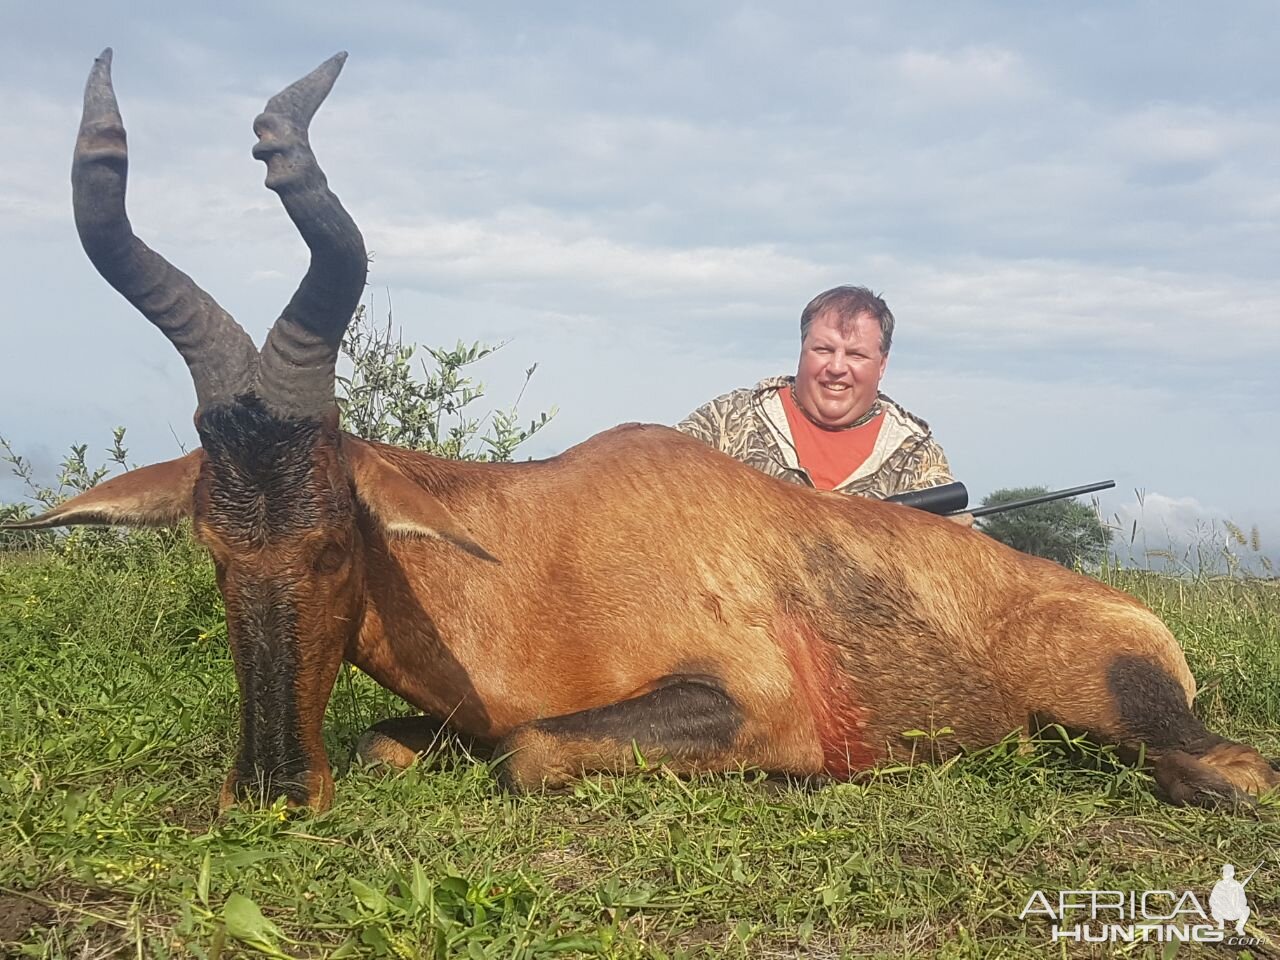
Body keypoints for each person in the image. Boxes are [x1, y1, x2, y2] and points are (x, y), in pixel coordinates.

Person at [676, 285, 957, 502]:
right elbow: (657, 476)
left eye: (856, 355)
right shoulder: (730, 419)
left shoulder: (915, 454)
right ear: (801, 350)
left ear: (881, 365)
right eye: (823, 350)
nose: (836, 367)